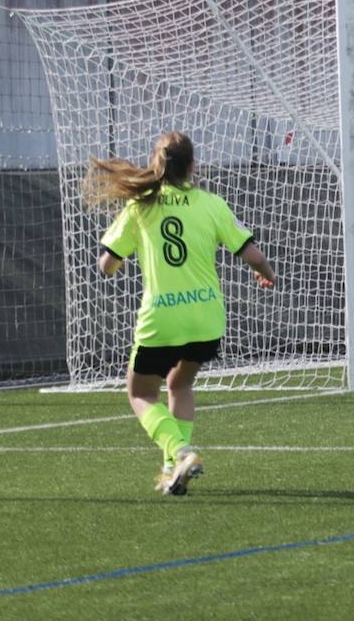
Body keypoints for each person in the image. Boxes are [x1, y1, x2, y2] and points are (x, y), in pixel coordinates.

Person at [88, 132, 277, 495]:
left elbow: (107, 264)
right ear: (192, 166)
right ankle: (171, 468)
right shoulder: (211, 203)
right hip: (207, 318)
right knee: (180, 384)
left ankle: (181, 452)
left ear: (156, 163)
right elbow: (253, 255)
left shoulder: (140, 207)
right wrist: (267, 275)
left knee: (141, 393)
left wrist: (117, 261)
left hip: (163, 318)